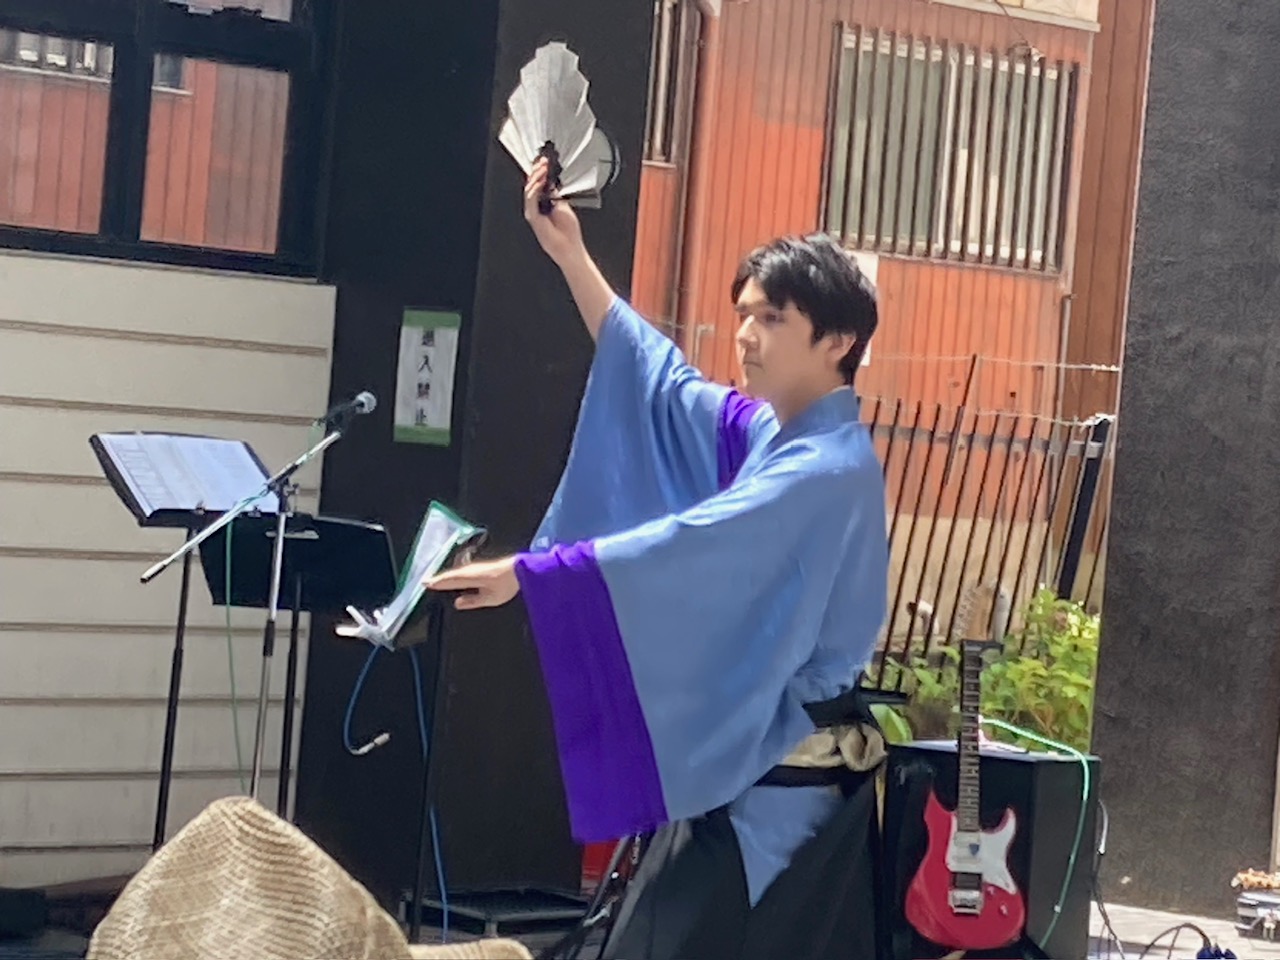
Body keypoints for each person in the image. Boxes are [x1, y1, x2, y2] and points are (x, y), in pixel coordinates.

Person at [426, 158, 890, 960]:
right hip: (742, 776)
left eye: (773, 317)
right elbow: (658, 379)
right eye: (743, 314)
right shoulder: (778, 437)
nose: (745, 334)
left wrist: (534, 575)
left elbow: (694, 544)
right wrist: (571, 253)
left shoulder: (827, 470)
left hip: (776, 803)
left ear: (839, 341)